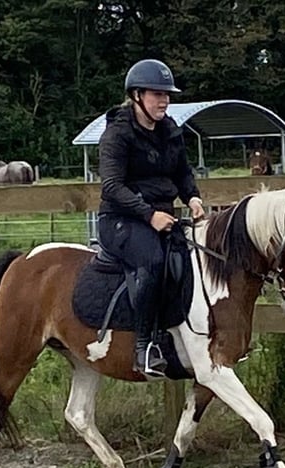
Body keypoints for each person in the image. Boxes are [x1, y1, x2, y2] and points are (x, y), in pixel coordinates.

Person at [97, 58, 205, 377]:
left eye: (167, 94)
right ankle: (144, 347)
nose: (165, 100)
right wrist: (149, 215)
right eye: (157, 94)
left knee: (189, 260)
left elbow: (182, 172)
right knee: (154, 260)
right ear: (137, 96)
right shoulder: (117, 134)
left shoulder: (170, 130)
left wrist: (193, 197)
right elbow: (112, 186)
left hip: (162, 217)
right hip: (121, 220)